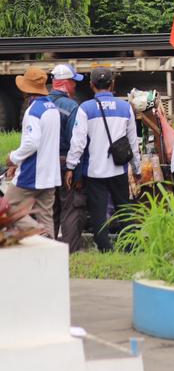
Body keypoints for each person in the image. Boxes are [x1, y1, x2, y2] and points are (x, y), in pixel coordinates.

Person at [64, 67, 140, 252]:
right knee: (124, 210)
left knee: (98, 212)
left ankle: (105, 248)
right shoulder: (125, 108)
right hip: (118, 169)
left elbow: (78, 142)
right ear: (112, 84)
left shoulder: (85, 108)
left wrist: (71, 166)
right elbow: (133, 143)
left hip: (94, 171)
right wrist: (137, 169)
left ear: (91, 85)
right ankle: (130, 246)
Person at [3, 67, 61, 237]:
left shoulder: (33, 111)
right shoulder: (52, 108)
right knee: (46, 215)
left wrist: (13, 157)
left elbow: (31, 143)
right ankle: (49, 248)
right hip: (50, 173)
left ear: (25, 89)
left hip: (32, 172)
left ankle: (39, 233)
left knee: (6, 208)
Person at [49, 64, 88, 252]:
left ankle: (46, 249)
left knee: (49, 208)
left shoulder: (39, 104)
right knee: (72, 207)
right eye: (73, 82)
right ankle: (70, 251)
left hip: (45, 165)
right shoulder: (72, 107)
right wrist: (75, 171)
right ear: (65, 83)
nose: (75, 86)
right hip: (65, 165)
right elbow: (77, 142)